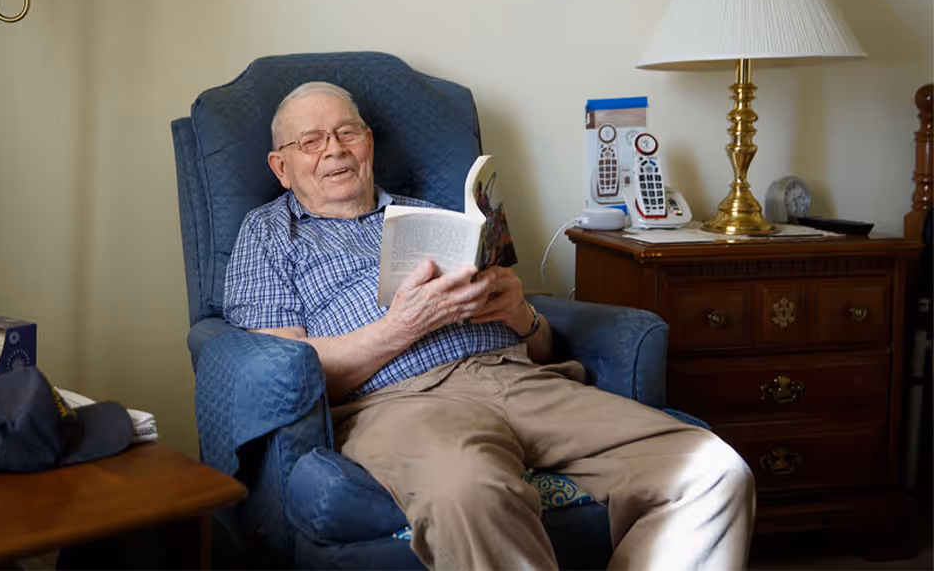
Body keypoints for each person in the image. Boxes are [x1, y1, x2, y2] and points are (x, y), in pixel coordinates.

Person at [224, 81, 755, 570]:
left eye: (347, 133)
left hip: (518, 378)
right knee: (469, 489)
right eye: (312, 141)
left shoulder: (434, 216)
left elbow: (543, 345)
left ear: (368, 142)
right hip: (398, 403)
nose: (335, 149)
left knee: (713, 471)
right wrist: (400, 328)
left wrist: (520, 312)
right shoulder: (269, 235)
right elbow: (284, 376)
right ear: (281, 166)